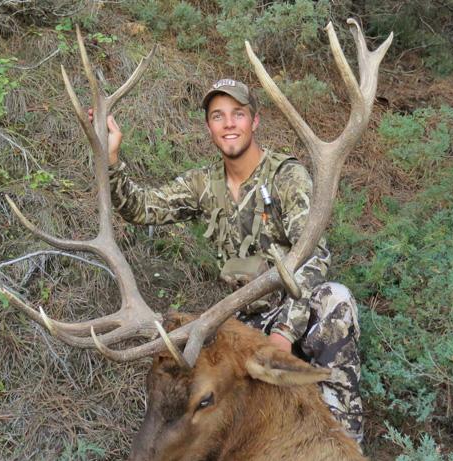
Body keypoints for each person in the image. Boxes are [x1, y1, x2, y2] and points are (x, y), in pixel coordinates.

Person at [98, 79, 363, 443]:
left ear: (254, 121)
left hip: (294, 307)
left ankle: (343, 434)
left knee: (336, 299)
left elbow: (315, 254)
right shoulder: (203, 184)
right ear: (209, 127)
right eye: (218, 116)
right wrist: (111, 160)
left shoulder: (287, 177)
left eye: (238, 114)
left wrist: (285, 333)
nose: (228, 124)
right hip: (242, 316)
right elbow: (140, 208)